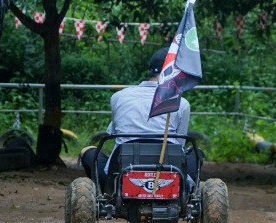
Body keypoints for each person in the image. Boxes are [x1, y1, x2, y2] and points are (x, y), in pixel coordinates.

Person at [78, 47, 192, 183]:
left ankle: (105, 192)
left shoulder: (118, 97)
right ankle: (187, 193)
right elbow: (179, 145)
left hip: (121, 170)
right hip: (169, 170)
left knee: (88, 151)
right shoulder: (181, 103)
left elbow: (113, 134)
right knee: (197, 154)